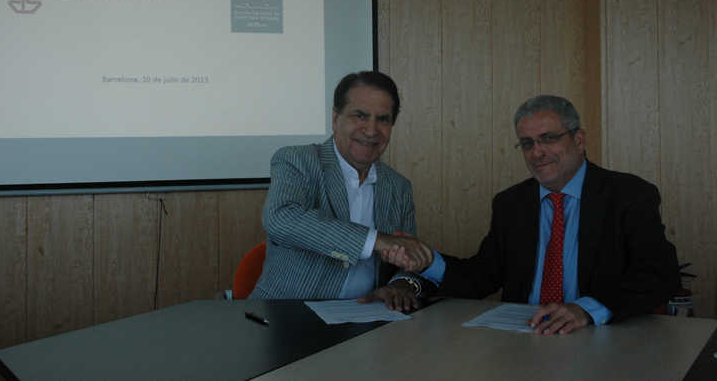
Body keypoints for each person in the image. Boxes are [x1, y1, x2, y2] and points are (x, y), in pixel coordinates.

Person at [386, 94, 680, 334]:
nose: (537, 152)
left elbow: (660, 275)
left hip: (600, 336)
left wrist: (586, 310)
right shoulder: (511, 203)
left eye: (548, 138)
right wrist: (427, 260)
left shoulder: (629, 195)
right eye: (527, 143)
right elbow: (481, 277)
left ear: (579, 140)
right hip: (525, 336)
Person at [249, 71, 432, 310]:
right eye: (360, 115)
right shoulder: (297, 160)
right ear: (336, 119)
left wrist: (402, 284)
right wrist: (376, 241)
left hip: (369, 316)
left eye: (383, 119)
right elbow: (281, 219)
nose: (371, 130)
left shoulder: (398, 187)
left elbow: (408, 261)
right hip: (288, 315)